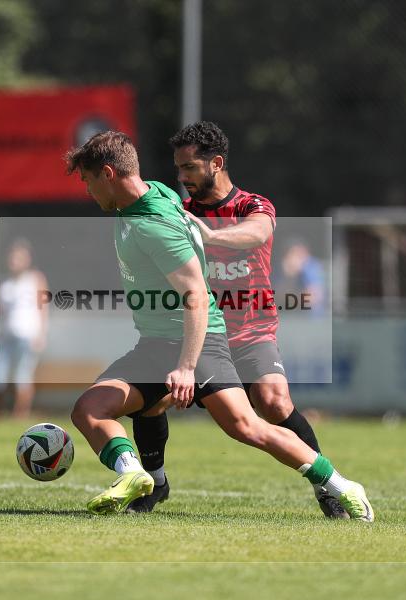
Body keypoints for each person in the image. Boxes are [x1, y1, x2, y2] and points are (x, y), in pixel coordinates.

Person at [65, 131, 373, 520]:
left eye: (88, 181)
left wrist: (187, 366)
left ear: (108, 173)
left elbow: (196, 291)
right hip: (157, 343)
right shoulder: (156, 194)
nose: (88, 191)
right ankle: (137, 477)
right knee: (90, 409)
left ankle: (338, 486)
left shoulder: (157, 224)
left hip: (205, 338)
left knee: (248, 424)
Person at [0, 240, 48, 418]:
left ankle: (20, 415)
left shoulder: (36, 279)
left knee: (22, 377)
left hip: (27, 335)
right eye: (12, 258)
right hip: (5, 336)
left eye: (18, 258)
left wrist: (41, 334)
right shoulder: (4, 282)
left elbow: (43, 308)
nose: (14, 261)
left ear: (27, 260)